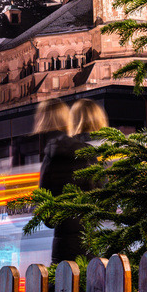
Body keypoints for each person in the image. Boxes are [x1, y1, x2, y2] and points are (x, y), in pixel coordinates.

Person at [38, 99, 103, 263]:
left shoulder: (52, 156)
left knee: (62, 285)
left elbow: (47, 215)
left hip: (62, 249)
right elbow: (104, 204)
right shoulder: (93, 154)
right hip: (90, 244)